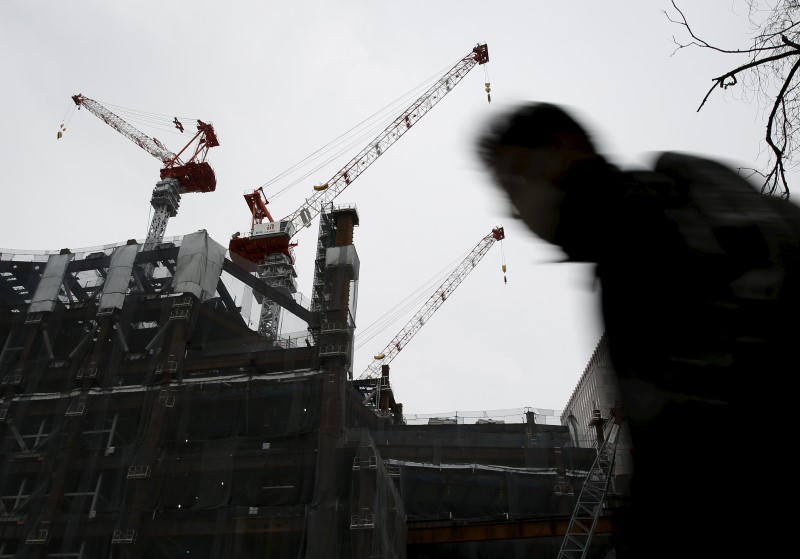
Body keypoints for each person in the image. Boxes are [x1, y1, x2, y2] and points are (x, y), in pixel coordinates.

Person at [476, 102, 800, 558]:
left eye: (517, 178)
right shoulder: (669, 201)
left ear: (564, 148)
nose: (515, 207)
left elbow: (690, 449)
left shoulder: (640, 238)